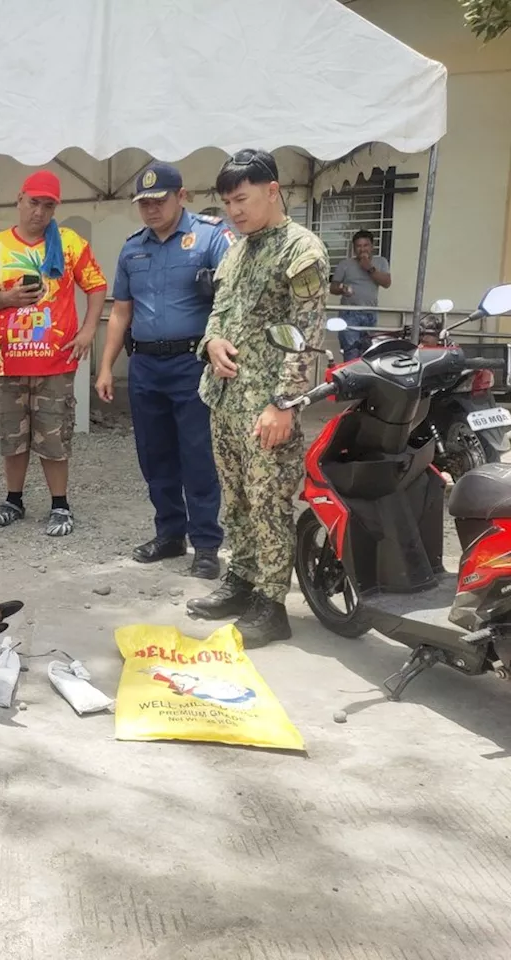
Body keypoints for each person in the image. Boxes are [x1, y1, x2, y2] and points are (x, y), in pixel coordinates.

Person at [187, 149, 328, 647]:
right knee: (238, 499)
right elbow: (219, 312)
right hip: (225, 399)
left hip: (267, 404)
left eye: (242, 199)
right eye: (227, 203)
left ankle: (272, 604)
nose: (235, 211)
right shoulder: (236, 249)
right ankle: (241, 580)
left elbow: (307, 336)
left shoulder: (301, 250)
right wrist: (212, 343)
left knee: (269, 502)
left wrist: (283, 405)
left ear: (273, 190)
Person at [96, 162, 234, 578]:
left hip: (193, 363)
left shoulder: (211, 238)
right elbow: (121, 312)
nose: (151, 210)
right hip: (145, 366)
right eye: (144, 203)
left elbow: (230, 302)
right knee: (154, 455)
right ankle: (170, 534)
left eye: (160, 201)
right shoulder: (132, 248)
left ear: (182, 196)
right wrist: (106, 368)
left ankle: (206, 543)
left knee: (196, 455)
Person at [0, 171, 107, 538]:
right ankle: (13, 499)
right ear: (19, 199)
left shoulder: (69, 243)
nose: (40, 212)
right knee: (11, 435)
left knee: (54, 436)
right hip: (8, 363)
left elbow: (97, 286)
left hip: (54, 362)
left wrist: (87, 331)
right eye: (34, 202)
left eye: (48, 205)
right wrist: (7, 299)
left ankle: (60, 504)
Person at [331, 230, 391, 361]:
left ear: (372, 246)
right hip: (349, 314)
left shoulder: (381, 262)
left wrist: (369, 267)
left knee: (369, 353)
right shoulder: (345, 264)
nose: (362, 249)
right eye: (358, 246)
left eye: (366, 245)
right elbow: (333, 287)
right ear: (354, 248)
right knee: (351, 352)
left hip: (371, 313)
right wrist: (342, 288)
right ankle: (351, 380)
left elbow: (387, 283)